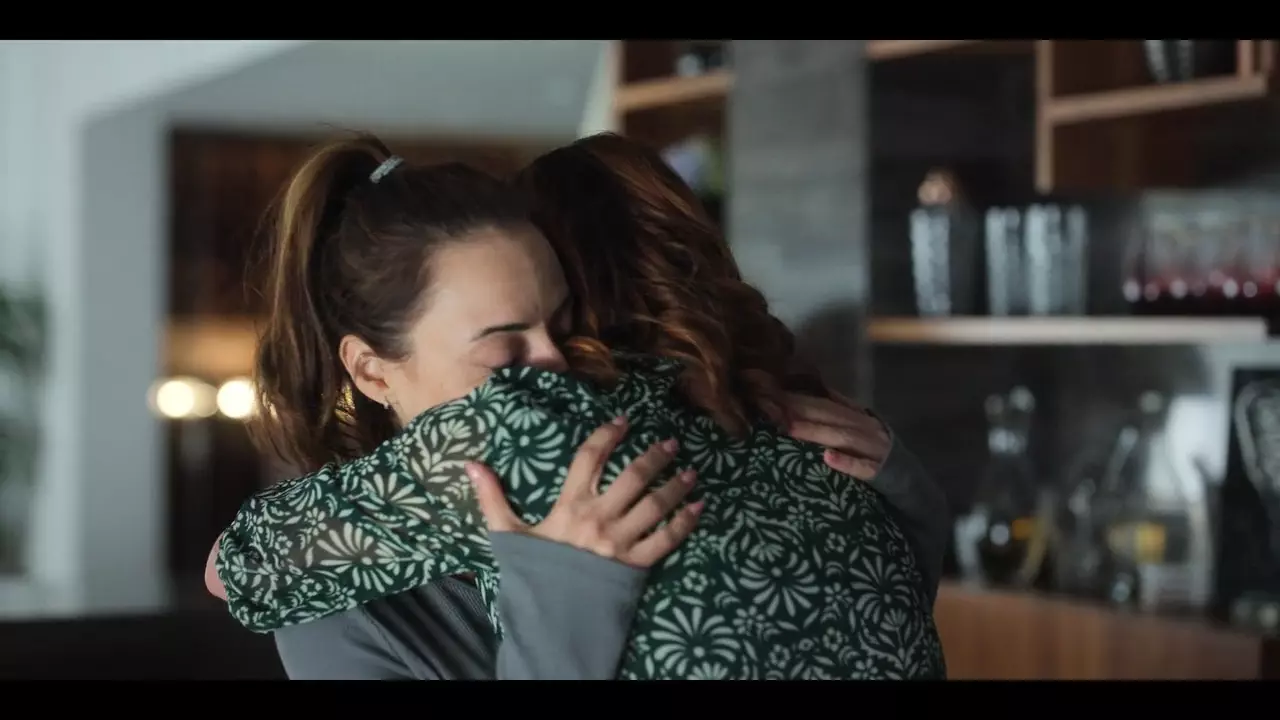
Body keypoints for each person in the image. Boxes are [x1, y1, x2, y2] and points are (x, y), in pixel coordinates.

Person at [212, 133, 947, 679]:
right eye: (505, 349)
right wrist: (567, 590)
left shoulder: (721, 426)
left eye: (566, 325)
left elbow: (876, 620)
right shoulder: (343, 607)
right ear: (372, 371)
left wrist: (901, 487)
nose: (560, 372)